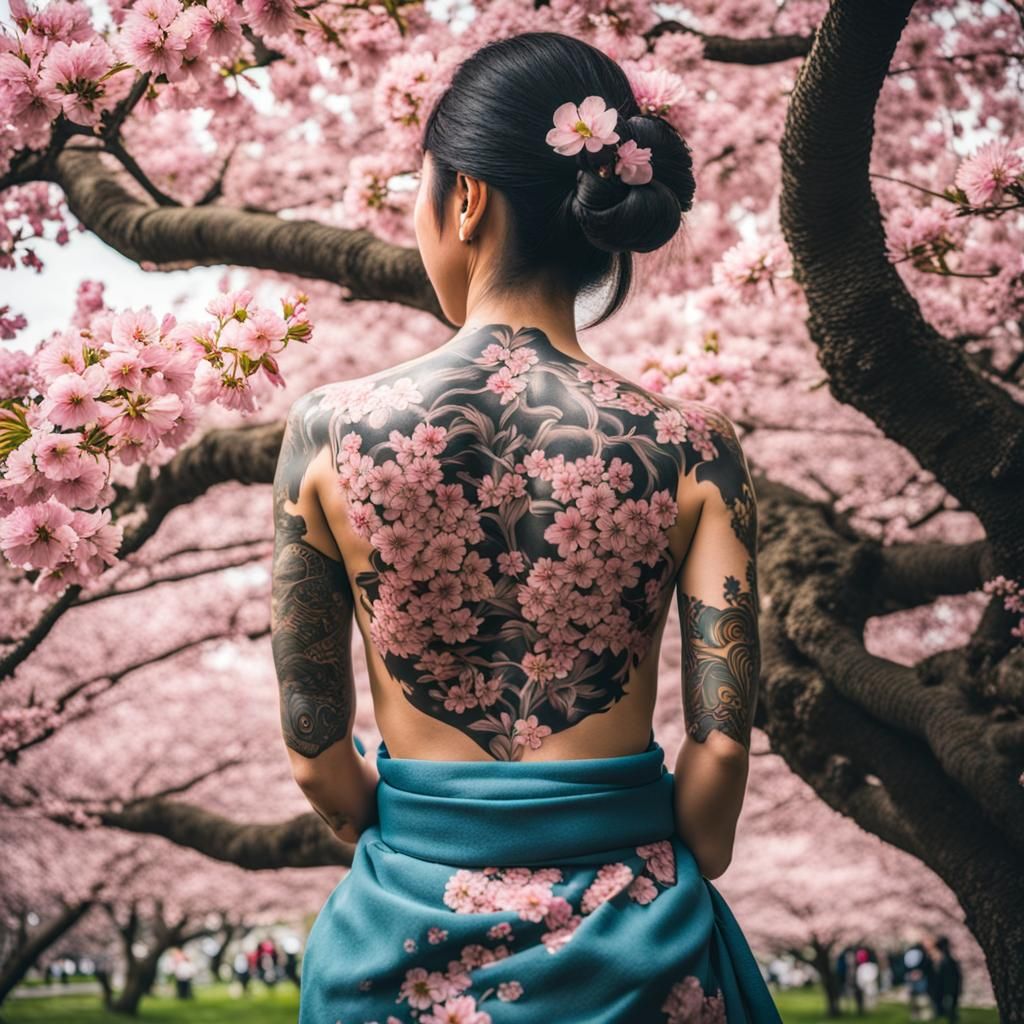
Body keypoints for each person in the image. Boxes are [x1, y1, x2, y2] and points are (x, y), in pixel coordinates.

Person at [271, 29, 778, 1024]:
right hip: (636, 942)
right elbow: (720, 746)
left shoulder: (325, 431)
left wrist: (423, 838)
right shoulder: (692, 444)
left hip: (400, 924)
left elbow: (314, 751)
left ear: (462, 197)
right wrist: (680, 847)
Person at [934, 936, 962, 1023]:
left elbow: (945, 976)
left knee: (950, 1007)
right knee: (951, 1007)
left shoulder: (946, 960)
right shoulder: (949, 959)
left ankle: (952, 1018)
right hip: (951, 987)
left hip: (948, 988)